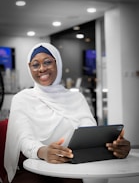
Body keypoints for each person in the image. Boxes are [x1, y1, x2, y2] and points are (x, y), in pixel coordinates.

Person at [4, 43, 131, 183]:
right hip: (33, 165)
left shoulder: (76, 98)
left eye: (47, 62)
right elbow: (24, 139)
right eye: (35, 65)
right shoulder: (22, 99)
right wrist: (43, 151)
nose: (42, 69)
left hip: (69, 164)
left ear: (57, 63)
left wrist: (113, 146)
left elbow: (89, 132)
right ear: (29, 68)